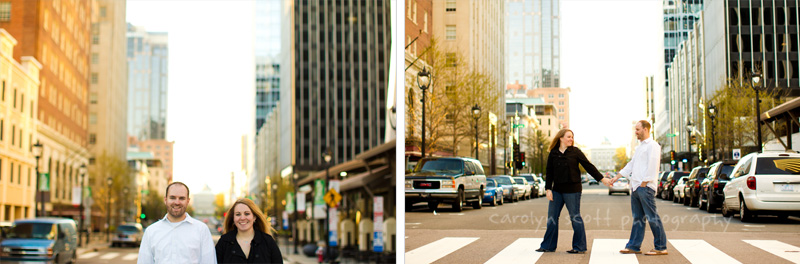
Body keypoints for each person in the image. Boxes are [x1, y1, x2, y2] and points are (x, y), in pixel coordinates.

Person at [536, 129, 611, 254]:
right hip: (557, 191)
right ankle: (548, 245)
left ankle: (579, 247)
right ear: (561, 138)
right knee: (552, 218)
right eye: (568, 137)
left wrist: (602, 179)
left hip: (573, 190)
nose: (571, 139)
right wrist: (548, 189)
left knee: (575, 217)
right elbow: (549, 172)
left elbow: (588, 166)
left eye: (572, 137)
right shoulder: (553, 153)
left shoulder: (575, 152)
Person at [609, 120, 668, 256]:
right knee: (638, 218)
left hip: (645, 187)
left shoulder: (652, 145)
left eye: (637, 129)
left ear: (646, 129)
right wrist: (617, 177)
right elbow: (631, 164)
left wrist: (645, 182)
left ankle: (660, 247)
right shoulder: (640, 147)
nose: (635, 132)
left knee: (652, 217)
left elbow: (653, 164)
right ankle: (634, 246)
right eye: (635, 129)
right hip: (635, 187)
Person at [138, 182, 217, 264]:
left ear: (188, 201)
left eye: (181, 198)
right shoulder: (151, 231)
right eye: (172, 198)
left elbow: (209, 261)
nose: (177, 202)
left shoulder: (201, 230)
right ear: (165, 200)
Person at [215, 198, 283, 263]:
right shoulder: (224, 242)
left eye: (247, 213)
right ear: (233, 218)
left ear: (254, 217)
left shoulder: (268, 242)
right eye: (238, 214)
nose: (242, 218)